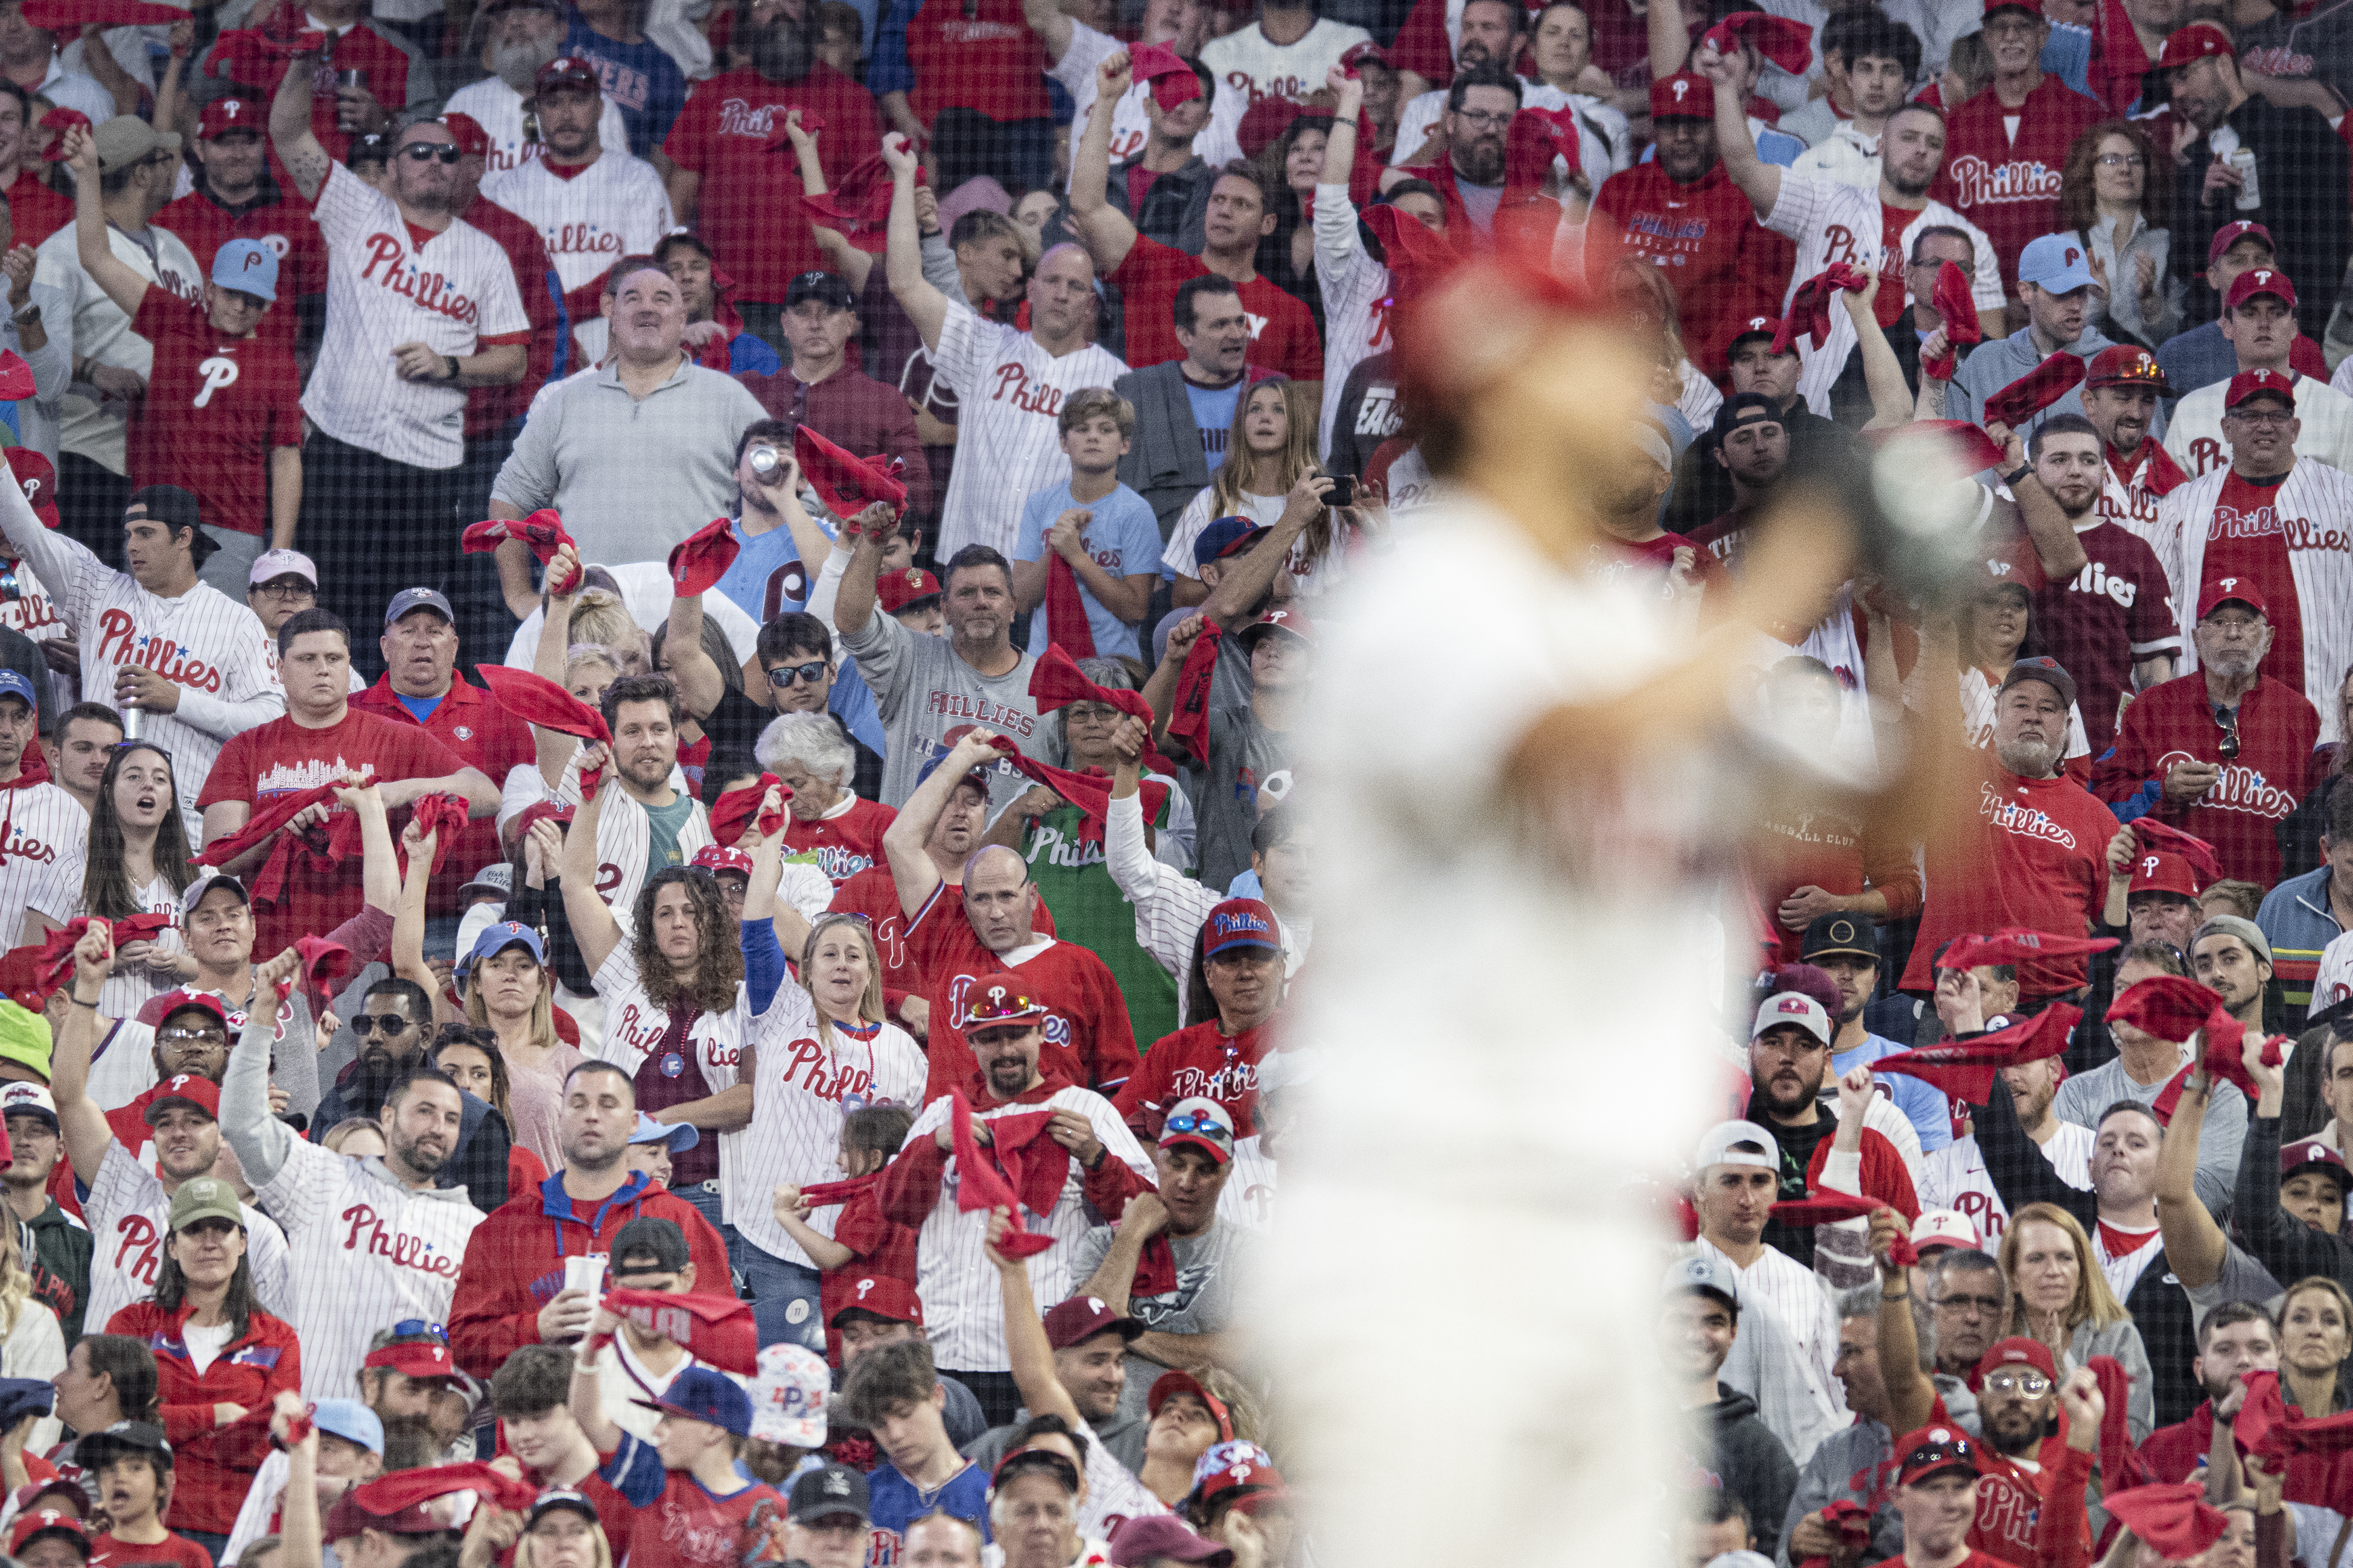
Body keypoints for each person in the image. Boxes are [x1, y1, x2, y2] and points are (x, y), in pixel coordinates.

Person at [265, 68, 530, 658]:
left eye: (448, 154)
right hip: (340, 452)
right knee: (323, 611)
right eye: (419, 152)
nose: (435, 161)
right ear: (392, 167)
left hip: (427, 469)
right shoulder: (355, 212)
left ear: (463, 168)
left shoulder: (485, 255)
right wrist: (304, 65)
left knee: (413, 622)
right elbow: (287, 134)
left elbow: (514, 358)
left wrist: (452, 365)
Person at [218, 944, 487, 1400]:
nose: (437, 1128)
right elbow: (242, 1122)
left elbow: (470, 1353)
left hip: (411, 1449)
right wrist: (264, 1012)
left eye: (451, 1118)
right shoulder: (325, 1179)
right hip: (315, 1434)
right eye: (424, 1110)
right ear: (386, 1118)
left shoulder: (474, 1230)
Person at [875, 981, 1151, 1428]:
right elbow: (893, 1204)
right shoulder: (941, 1114)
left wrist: (1097, 1157)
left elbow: (1147, 1211)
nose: (1006, 1048)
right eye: (990, 1037)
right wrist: (936, 1146)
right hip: (949, 1346)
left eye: (1018, 1033)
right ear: (969, 1041)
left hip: (1041, 1350)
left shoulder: (1086, 1109)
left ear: (1042, 1033)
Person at [62, 127, 300, 598]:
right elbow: (95, 256)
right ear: (210, 287)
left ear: (269, 305)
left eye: (253, 300)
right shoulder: (173, 318)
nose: (239, 307)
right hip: (156, 520)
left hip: (234, 524)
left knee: (212, 657)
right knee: (148, 646)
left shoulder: (278, 364)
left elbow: (287, 455)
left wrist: (281, 549)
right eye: (232, 293)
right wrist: (88, 177)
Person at [0, 465, 281, 842]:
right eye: (129, 534)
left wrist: (178, 699)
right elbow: (27, 534)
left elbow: (268, 720)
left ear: (183, 538)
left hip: (184, 817)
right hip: (93, 811)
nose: (132, 545)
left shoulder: (237, 622)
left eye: (146, 534)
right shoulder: (98, 590)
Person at [195, 606, 497, 956]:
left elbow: (487, 794)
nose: (323, 669)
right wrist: (280, 830)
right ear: (279, 668)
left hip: (370, 955)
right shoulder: (243, 749)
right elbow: (219, 857)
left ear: (348, 665)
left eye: (334, 658)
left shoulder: (399, 739)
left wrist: (396, 792)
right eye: (307, 658)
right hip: (272, 955)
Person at [729, 843, 926, 1347]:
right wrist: (772, 842)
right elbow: (756, 929)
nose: (841, 965)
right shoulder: (780, 1012)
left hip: (858, 1247)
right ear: (805, 969)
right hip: (774, 1238)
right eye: (829, 954)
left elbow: (915, 1157)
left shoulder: (903, 1051)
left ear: (870, 971)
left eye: (853, 955)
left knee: (850, 1380)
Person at [487, 259, 763, 611]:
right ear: (611, 315)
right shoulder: (565, 402)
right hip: (583, 617)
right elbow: (509, 495)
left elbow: (787, 491)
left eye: (663, 298)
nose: (647, 308)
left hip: (693, 622)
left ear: (683, 319)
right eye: (632, 298)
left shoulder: (730, 400)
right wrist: (518, 597)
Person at [883, 731, 1142, 1102]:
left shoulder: (1083, 968)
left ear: (1033, 896)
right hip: (960, 1142)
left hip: (1048, 1147)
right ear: (965, 903)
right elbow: (900, 841)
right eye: (982, 899)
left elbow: (1120, 1085)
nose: (996, 912)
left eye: (1007, 896)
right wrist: (962, 757)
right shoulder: (949, 939)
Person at [1071, 57, 1321, 391]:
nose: (1224, 210)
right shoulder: (1156, 270)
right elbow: (1087, 205)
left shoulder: (1291, 314)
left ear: (1268, 223)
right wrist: (1106, 101)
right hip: (1152, 437)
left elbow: (1305, 414)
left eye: (1242, 204)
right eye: (1217, 200)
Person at [101, 1175, 301, 1562]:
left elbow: (271, 1445)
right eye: (194, 1230)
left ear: (242, 1242)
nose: (209, 1242)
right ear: (173, 1247)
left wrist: (164, 1423)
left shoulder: (279, 1338)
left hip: (239, 1526)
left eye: (222, 1229)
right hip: (146, 1524)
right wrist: (217, 1416)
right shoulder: (132, 1325)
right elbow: (115, 1426)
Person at [28, 116, 200, 562]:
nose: (173, 167)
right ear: (142, 174)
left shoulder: (175, 246)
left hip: (171, 460)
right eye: (163, 159)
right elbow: (27, 351)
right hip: (91, 460)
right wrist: (92, 369)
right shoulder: (60, 253)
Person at [659, 5, 880, 352]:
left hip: (818, 307)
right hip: (726, 305)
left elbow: (874, 212)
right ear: (746, 19)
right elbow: (676, 201)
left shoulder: (852, 100)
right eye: (763, 2)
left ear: (810, 12)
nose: (779, 10)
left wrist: (871, 301)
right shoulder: (711, 97)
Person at [1898, 659, 2116, 1003]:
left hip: (2054, 997)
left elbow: (2113, 920)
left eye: (2048, 708)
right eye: (2020, 704)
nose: (2033, 716)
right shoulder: (1952, 777)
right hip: (1953, 987)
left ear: (2068, 726)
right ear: (1997, 712)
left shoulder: (2098, 818)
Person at [2155, 368, 2353, 734]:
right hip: (2209, 709)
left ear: (2295, 428)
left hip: (2324, 700)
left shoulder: (2343, 495)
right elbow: (2159, 611)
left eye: (2277, 415)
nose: (2265, 426)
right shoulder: (2184, 503)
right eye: (2249, 415)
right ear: (2226, 428)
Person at [2094, 580, 2317, 886]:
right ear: (2197, 639)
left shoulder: (2301, 715)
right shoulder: (2153, 709)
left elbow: (2319, 823)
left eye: (2247, 622)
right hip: (2173, 899)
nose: (2233, 633)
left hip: (2267, 902)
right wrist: (2162, 790)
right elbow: (2100, 799)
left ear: (2269, 638)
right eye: (2219, 622)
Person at [349, 589, 536, 942]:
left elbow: (524, 810)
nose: (423, 642)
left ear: (454, 645)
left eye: (435, 631)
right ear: (385, 646)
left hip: (469, 917)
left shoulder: (500, 715)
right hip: (371, 915)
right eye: (408, 631)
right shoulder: (351, 713)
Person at [1585, 70, 1793, 379]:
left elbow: (1757, 300)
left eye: (1695, 124)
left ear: (1718, 126)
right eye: (1670, 124)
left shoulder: (1752, 196)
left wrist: (1690, 372)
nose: (1682, 136)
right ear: (1654, 129)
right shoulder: (1620, 190)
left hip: (1713, 378)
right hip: (1624, 366)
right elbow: (1600, 280)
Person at [1070, 1097, 1258, 1423]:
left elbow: (1236, 1355)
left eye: (1205, 1169)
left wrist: (1131, 1333)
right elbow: (1084, 1333)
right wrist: (1131, 1236)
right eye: (1177, 1164)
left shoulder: (1247, 1253)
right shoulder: (1105, 1243)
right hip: (1110, 1425)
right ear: (1158, 1159)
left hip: (1200, 1426)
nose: (1187, 1182)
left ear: (1227, 1173)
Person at [481, 57, 673, 369]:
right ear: (538, 113)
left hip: (620, 350)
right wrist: (554, 330)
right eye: (554, 103)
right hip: (538, 355)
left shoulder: (638, 179)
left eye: (579, 100)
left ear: (600, 109)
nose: (567, 114)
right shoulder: (509, 189)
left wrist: (559, 315)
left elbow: (640, 272)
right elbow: (504, 282)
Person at [2164, 22, 2352, 340]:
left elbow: (2327, 232)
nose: (2177, 93)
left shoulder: (2301, 127)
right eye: (2172, 85)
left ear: (2224, 66)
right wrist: (2206, 203)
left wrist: (2242, 109)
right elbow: (2182, 267)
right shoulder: (2193, 165)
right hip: (2216, 341)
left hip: (2293, 330)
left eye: (2185, 76)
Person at [1687, 1122, 1846, 1461]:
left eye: (1760, 1182)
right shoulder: (1671, 1276)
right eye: (1730, 1181)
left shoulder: (1804, 1284)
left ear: (1776, 1190)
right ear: (1699, 1188)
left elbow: (1832, 1403)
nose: (1747, 1199)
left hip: (1788, 1477)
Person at [1932, 0, 2103, 295]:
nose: (2010, 37)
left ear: (2043, 35)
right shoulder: (1955, 125)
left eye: (2023, 26)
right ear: (1986, 36)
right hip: (1980, 301)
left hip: (2063, 296)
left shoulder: (2084, 117)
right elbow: (1938, 224)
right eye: (2000, 27)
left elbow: (2105, 218)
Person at [310, 974, 514, 1213]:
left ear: (426, 1036)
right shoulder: (333, 1107)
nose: (374, 1037)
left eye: (391, 1024)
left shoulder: (478, 1121)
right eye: (365, 1025)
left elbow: (482, 1235)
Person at [734, 271, 928, 518]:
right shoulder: (750, 389)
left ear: (850, 322)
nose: (815, 324)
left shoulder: (883, 400)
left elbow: (919, 494)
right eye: (803, 312)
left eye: (828, 312)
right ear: (784, 324)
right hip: (760, 538)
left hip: (848, 544)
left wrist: (855, 509)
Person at [1162, 386, 1343, 611]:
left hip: (1296, 638)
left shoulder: (1320, 502)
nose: (1265, 418)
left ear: (1297, 423)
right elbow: (1181, 599)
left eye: (1279, 410)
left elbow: (1338, 599)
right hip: (1227, 641)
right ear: (1241, 425)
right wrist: (1252, 581)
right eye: (1255, 409)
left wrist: (1290, 602)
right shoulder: (1209, 502)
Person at [1011, 390, 1159, 663]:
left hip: (1112, 665)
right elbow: (1020, 599)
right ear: (1064, 443)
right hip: (1045, 662)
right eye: (1081, 429)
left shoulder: (1137, 511)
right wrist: (1055, 549)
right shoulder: (1039, 503)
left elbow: (1136, 609)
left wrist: (1077, 556)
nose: (1093, 437)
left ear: (1125, 444)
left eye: (1105, 429)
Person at [2167, 268, 2353, 481]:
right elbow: (2170, 507)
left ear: (2294, 327)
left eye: (2276, 313)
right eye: (2250, 313)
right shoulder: (2192, 410)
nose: (2264, 323)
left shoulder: (2338, 409)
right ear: (2228, 327)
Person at [1663, 1254, 1797, 1543]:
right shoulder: (1619, 1418)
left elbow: (1777, 1551)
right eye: (1680, 1320)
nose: (1694, 1335)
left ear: (1733, 1332)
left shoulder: (1760, 1449)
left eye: (1714, 1322)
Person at [1946, 234, 2116, 431]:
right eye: (2061, 293)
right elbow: (1948, 450)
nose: (2076, 305)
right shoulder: (1984, 364)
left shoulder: (2113, 363)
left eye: (2080, 291)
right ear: (2026, 292)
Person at [443, 0, 630, 176]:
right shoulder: (465, 103)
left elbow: (613, 189)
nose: (515, 21)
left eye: (530, 9)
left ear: (561, 29)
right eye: (504, 13)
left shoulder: (594, 105)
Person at [2138, 1300, 2279, 1479]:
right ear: (2199, 1369)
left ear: (2280, 1361)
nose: (2244, 1360)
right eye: (2225, 1349)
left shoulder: (2306, 1442)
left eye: (2258, 1348)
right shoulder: (2159, 1449)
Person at [2, 1082, 92, 1342]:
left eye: (38, 1131)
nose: (23, 1141)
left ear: (60, 1149)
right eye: (9, 1130)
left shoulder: (80, 1240)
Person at [39, 700, 123, 816]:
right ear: (56, 757)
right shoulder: (31, 816)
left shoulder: (134, 823)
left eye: (109, 751)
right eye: (84, 749)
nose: (98, 760)